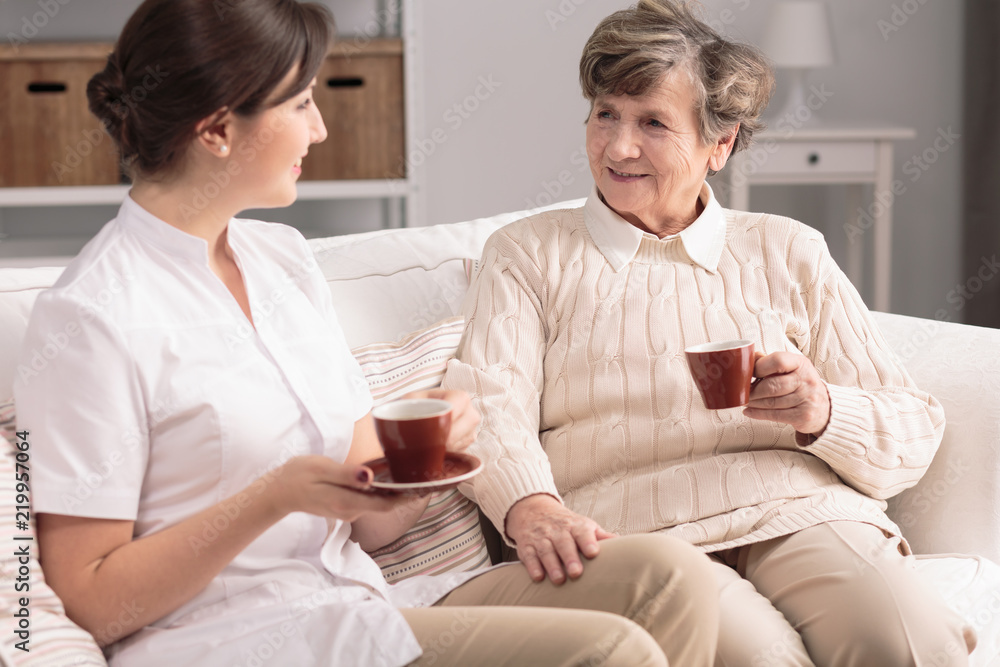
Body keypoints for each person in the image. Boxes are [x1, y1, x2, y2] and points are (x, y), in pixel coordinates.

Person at [13, 1, 720, 665]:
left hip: (366, 602)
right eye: (299, 103)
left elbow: (375, 521)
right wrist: (272, 497)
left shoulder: (281, 260)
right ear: (218, 131)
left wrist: (425, 461)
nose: (319, 128)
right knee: (612, 653)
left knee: (673, 579)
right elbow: (93, 599)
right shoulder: (93, 319)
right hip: (238, 639)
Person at [442, 1, 976, 665]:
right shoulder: (528, 253)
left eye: (653, 123)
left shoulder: (788, 250)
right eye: (605, 112)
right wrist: (532, 505)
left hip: (797, 507)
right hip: (633, 534)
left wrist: (824, 411)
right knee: (761, 656)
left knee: (906, 638)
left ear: (718, 144)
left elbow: (911, 427)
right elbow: (486, 405)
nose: (617, 146)